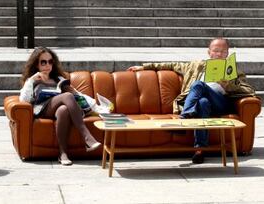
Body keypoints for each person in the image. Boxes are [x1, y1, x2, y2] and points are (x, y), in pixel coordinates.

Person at [127, 38, 255, 164]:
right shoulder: (195, 66)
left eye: (223, 51)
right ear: (209, 52)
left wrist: (228, 86)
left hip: (220, 104)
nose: (219, 54)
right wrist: (144, 67)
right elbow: (170, 65)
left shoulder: (234, 71)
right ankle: (200, 150)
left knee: (199, 84)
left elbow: (249, 91)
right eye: (216, 50)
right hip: (203, 105)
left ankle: (184, 119)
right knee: (203, 102)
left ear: (227, 53)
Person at [19, 47, 101, 166]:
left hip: (57, 109)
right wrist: (31, 80)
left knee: (64, 110)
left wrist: (96, 106)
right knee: (67, 96)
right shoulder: (32, 80)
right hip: (41, 109)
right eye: (43, 62)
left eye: (50, 61)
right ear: (36, 64)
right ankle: (87, 137)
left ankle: (63, 154)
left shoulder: (59, 79)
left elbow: (77, 95)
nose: (47, 65)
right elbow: (24, 100)